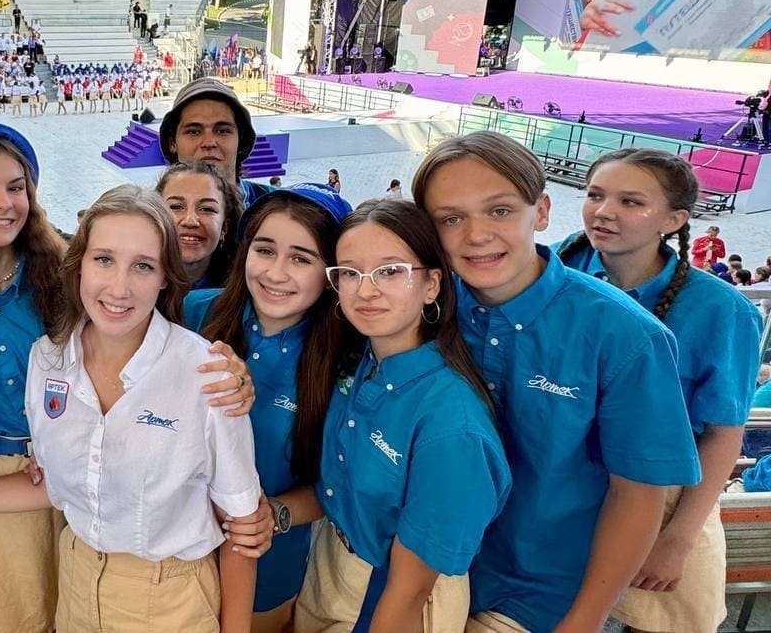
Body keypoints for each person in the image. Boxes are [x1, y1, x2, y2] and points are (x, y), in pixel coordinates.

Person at [0, 124, 258, 633]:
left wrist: (232, 378)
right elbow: (59, 480)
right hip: (61, 536)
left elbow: (241, 521)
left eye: (15, 186)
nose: (118, 286)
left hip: (162, 582)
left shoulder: (201, 374)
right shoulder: (35, 349)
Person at [412, 132, 700, 633]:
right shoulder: (422, 306)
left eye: (500, 211)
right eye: (450, 218)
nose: (476, 234)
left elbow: (637, 493)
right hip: (423, 567)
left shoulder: (626, 335)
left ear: (541, 212)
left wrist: (585, 618)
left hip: (537, 594)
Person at [557, 148, 762, 633]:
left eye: (631, 202)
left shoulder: (720, 310)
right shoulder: (561, 267)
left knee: (664, 618)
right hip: (561, 482)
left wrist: (679, 539)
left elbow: (722, 433)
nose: (604, 211)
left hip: (664, 495)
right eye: (595, 195)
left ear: (673, 220)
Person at [296, 199, 511, 632]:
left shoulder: (451, 426)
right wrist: (277, 513)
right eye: (350, 273)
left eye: (390, 271)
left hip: (392, 594)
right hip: (330, 564)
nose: (366, 290)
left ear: (432, 285)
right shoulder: (360, 362)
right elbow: (345, 489)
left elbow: (409, 591)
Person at [186, 184, 357, 632]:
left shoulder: (347, 361)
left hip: (267, 566)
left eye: (301, 259)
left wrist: (275, 514)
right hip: (175, 555)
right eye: (264, 250)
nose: (276, 273)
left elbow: (335, 484)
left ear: (332, 274)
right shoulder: (195, 313)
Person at [159, 78, 270, 210]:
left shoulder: (276, 207)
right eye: (193, 132)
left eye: (222, 131)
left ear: (240, 140)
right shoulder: (150, 214)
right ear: (172, 142)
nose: (209, 142)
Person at [156, 161, 242, 289]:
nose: (190, 221)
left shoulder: (246, 290)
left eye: (206, 209)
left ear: (225, 227)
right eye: (176, 207)